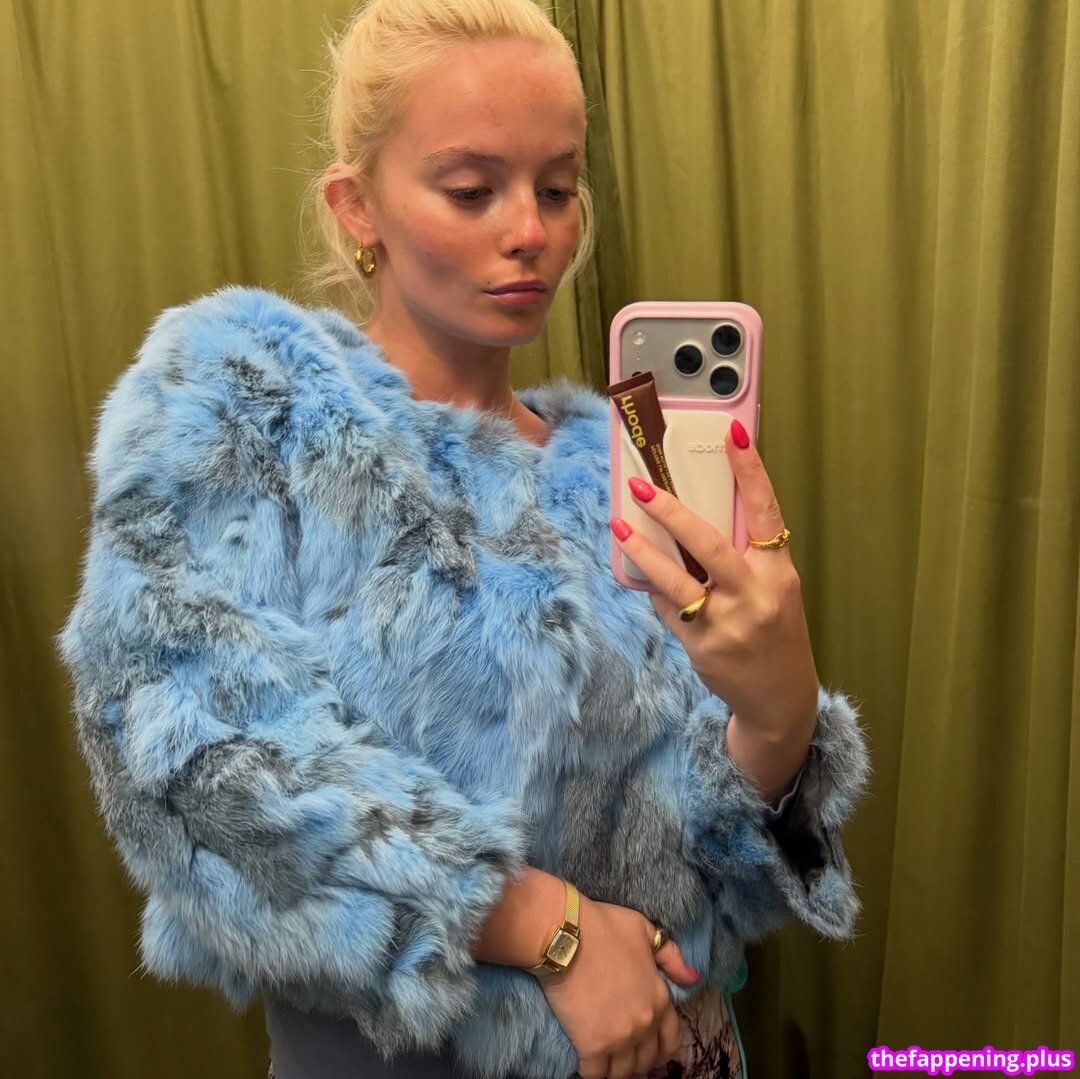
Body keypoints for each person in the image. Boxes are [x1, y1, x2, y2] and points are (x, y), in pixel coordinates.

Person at [58, 1, 870, 1077]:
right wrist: (544, 926)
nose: (530, 229)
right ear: (357, 206)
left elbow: (706, 856)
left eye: (558, 188)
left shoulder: (619, 463)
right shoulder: (252, 405)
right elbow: (186, 750)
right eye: (472, 189)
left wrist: (777, 710)